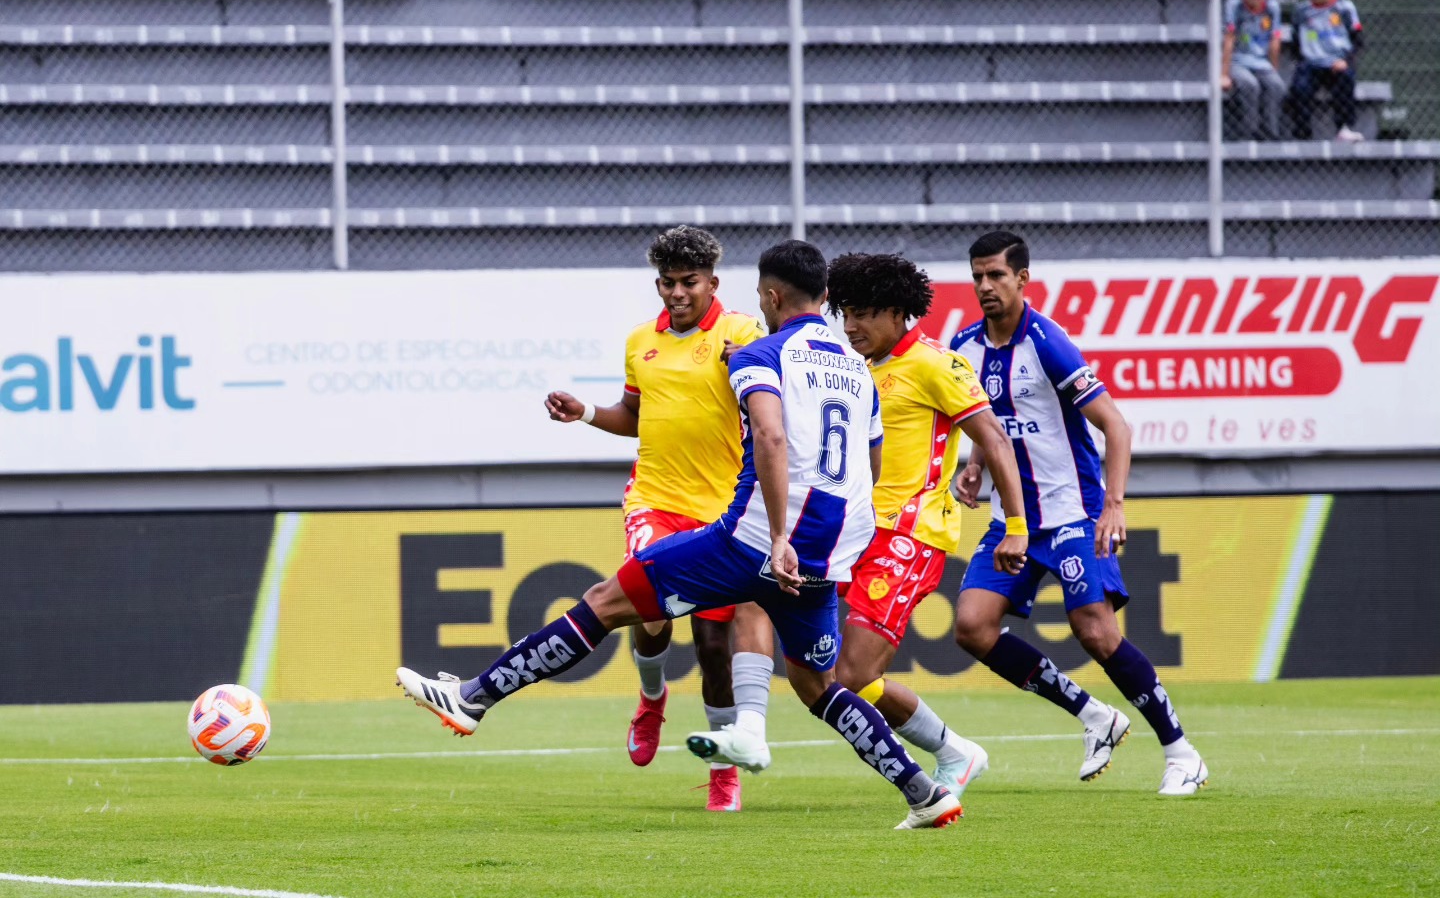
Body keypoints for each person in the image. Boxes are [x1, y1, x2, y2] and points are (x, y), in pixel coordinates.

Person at [399, 240, 965, 830]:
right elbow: (868, 466)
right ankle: (924, 792)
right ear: (825, 297)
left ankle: (473, 699)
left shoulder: (759, 353)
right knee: (817, 685)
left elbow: (770, 438)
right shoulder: (858, 369)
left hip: (754, 541)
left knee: (606, 601)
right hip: (833, 550)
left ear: (770, 296)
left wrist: (777, 537)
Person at [950, 231, 1209, 797]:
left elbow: (1115, 425)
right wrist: (974, 467)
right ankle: (1095, 716)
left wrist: (1112, 507)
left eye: (996, 275)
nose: (985, 286)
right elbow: (990, 429)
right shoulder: (963, 346)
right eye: (977, 276)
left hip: (1072, 511)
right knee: (971, 627)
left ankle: (1181, 752)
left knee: (1094, 630)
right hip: (1015, 519)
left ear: (1023, 279)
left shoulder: (1048, 343)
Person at [540, 225, 776, 812]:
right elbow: (634, 414)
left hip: (723, 509)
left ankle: (724, 770)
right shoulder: (641, 341)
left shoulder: (741, 330)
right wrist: (587, 412)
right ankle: (652, 698)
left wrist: (746, 359)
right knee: (647, 609)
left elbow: (772, 382)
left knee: (713, 642)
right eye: (667, 283)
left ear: (712, 283)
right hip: (655, 498)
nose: (676, 293)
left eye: (688, 282)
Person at [825, 252, 1030, 806]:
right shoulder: (854, 367)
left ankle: (944, 762)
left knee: (848, 675)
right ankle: (955, 751)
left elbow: (994, 438)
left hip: (911, 535)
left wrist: (1014, 524)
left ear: (897, 311)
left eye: (863, 313)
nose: (850, 326)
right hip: (857, 534)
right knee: (849, 680)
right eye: (844, 312)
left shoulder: (936, 364)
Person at [1289, 0, 1365, 142]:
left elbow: (1358, 39)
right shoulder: (1301, 10)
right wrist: (1305, 59)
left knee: (1346, 78)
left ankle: (1344, 128)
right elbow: (1295, 40)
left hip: (1336, 63)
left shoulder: (1345, 7)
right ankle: (1303, 132)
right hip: (1312, 64)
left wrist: (1345, 60)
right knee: (1299, 87)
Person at [1221, 0, 1285, 141]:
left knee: (1276, 85)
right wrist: (1224, 74)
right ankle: (1249, 131)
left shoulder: (1272, 8)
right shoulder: (1233, 5)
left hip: (1261, 62)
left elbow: (1275, 41)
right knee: (1250, 84)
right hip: (1238, 61)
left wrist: (1273, 68)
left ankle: (1271, 131)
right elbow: (1229, 38)